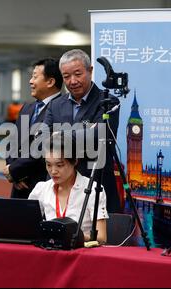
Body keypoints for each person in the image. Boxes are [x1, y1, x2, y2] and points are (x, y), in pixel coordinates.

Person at [0, 132, 109, 243]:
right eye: (48, 165)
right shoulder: (41, 188)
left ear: (75, 162)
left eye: (59, 165)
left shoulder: (93, 189)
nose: (53, 171)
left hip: (79, 256)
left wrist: (68, 235)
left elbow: (102, 237)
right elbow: (22, 225)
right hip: (48, 253)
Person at [44, 49, 121, 213]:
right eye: (66, 77)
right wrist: (83, 132)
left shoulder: (108, 102)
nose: (72, 81)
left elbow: (99, 137)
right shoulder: (56, 105)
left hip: (95, 183)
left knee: (100, 237)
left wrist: (60, 135)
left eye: (78, 74)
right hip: (60, 188)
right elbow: (44, 139)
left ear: (90, 71)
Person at [4, 58, 63, 198]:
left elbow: (43, 148)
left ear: (50, 82)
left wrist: (14, 169)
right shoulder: (27, 108)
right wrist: (14, 174)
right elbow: (13, 141)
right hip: (19, 185)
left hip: (43, 184)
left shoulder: (62, 108)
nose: (30, 81)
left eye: (35, 77)